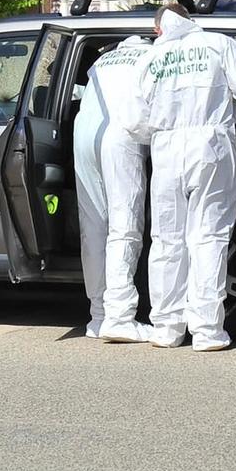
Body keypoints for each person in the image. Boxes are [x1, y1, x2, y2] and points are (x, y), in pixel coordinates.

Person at [137, 0, 236, 351]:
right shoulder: (218, 44)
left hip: (166, 151)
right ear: (190, 20)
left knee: (167, 240)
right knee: (208, 236)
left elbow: (135, 121)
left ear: (157, 29)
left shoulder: (151, 58)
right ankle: (208, 332)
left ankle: (166, 328)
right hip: (210, 146)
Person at [72, 32, 155, 344]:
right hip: (121, 135)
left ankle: (98, 316)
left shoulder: (103, 60)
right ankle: (120, 317)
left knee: (92, 226)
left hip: (84, 134)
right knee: (125, 227)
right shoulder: (152, 57)